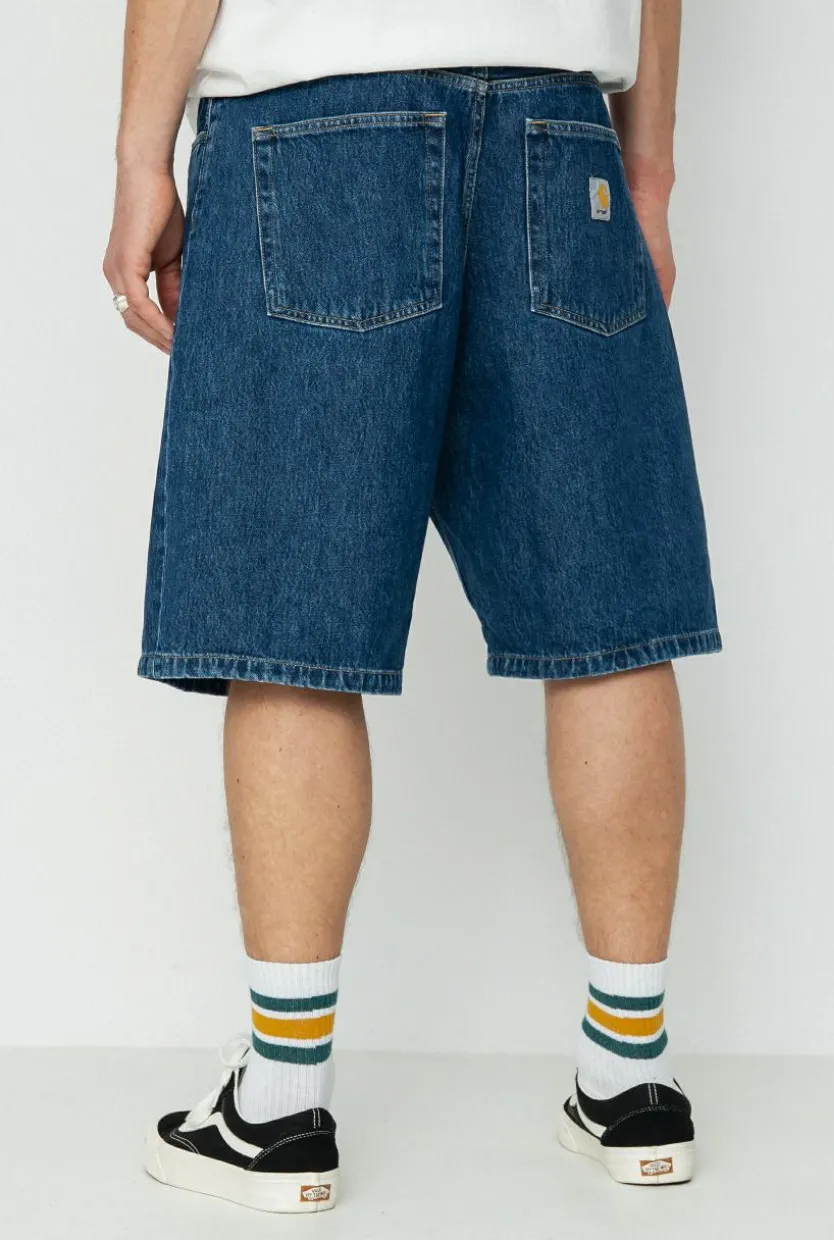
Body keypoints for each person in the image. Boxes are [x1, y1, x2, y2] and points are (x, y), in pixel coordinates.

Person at [104, 0, 719, 1214]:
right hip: (562, 130)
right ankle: (632, 1078)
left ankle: (280, 1107)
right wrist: (647, 170)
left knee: (294, 627)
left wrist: (139, 155)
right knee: (606, 620)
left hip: (317, 125)